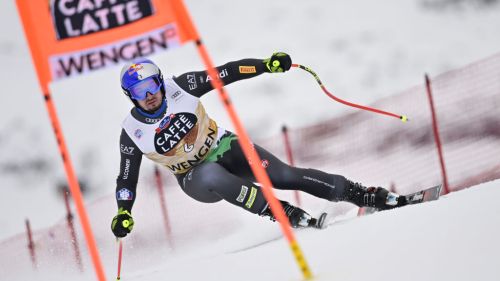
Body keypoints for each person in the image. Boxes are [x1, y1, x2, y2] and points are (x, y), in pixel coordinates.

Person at [111, 52, 407, 238]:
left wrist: (266, 65)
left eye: (151, 86)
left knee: (284, 175)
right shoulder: (132, 131)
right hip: (195, 178)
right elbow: (127, 177)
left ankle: (361, 194)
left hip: (224, 147)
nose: (148, 95)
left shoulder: (183, 86)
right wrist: (124, 210)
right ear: (130, 97)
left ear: (161, 83)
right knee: (210, 173)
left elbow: (228, 72)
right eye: (139, 91)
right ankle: (281, 211)